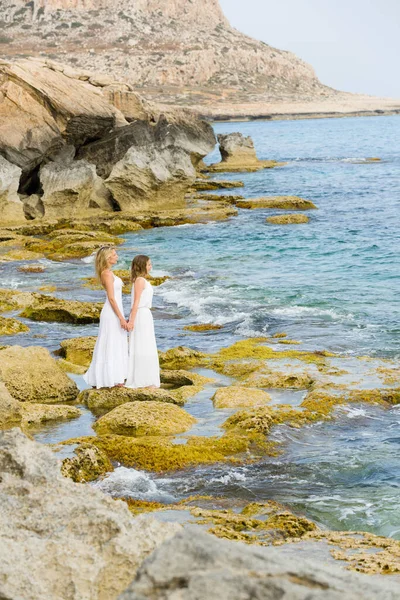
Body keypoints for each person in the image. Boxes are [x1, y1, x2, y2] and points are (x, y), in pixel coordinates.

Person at [83, 246, 129, 389]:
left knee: (117, 342)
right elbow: (111, 298)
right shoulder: (106, 274)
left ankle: (117, 377)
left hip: (115, 311)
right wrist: (121, 318)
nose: (117, 257)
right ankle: (109, 378)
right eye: (115, 255)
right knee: (111, 342)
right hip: (111, 313)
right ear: (108, 257)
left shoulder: (109, 273)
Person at [126, 254, 160, 389]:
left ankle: (147, 377)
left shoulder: (141, 280)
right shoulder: (140, 281)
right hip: (140, 314)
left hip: (145, 314)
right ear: (142, 266)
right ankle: (143, 379)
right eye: (149, 264)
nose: (151, 266)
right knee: (142, 345)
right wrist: (131, 321)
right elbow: (136, 302)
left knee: (146, 344)